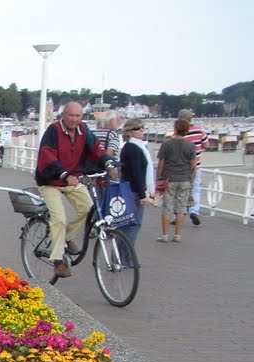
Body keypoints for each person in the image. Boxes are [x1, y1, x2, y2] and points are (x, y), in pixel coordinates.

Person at [34, 101, 118, 278]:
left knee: (88, 208)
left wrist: (109, 164)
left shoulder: (83, 131)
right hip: (50, 180)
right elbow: (47, 155)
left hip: (72, 179)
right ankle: (57, 260)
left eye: (78, 116)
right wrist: (63, 174)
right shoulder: (53, 131)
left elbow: (96, 149)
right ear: (63, 115)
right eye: (71, 115)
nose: (74, 119)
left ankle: (65, 237)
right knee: (59, 218)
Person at [155, 117, 197, 243]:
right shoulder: (190, 146)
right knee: (181, 208)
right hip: (184, 179)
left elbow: (161, 164)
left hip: (169, 179)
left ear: (175, 129)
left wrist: (158, 178)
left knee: (167, 207)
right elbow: (194, 166)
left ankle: (165, 235)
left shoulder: (166, 144)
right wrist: (192, 180)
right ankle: (177, 235)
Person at [117, 118, 155, 248]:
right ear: (130, 131)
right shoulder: (134, 148)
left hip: (130, 189)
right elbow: (136, 173)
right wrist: (143, 194)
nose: (142, 131)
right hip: (133, 191)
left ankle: (121, 256)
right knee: (133, 224)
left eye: (142, 128)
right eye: (138, 128)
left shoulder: (133, 147)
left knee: (126, 225)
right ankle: (126, 257)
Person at [178, 108, 209, 225]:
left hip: (181, 166)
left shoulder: (179, 132)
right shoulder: (199, 130)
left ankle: (178, 215)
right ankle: (194, 211)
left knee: (180, 191)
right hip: (196, 165)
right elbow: (206, 144)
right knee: (195, 189)